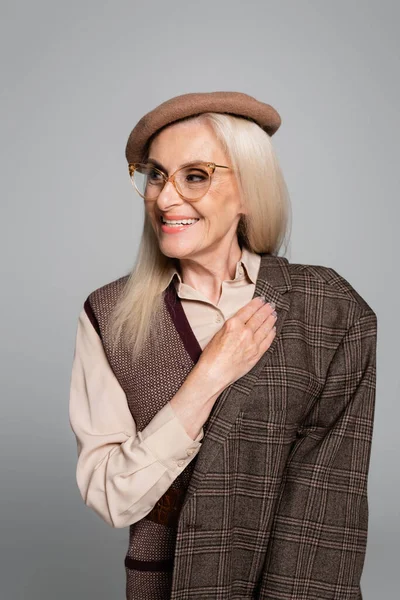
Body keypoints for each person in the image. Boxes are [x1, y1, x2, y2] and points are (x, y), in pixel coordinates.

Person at [69, 91, 378, 600]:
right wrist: (208, 378)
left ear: (249, 192)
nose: (166, 198)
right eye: (156, 175)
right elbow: (111, 496)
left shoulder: (328, 308)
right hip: (164, 584)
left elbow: (327, 507)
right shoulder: (109, 315)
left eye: (195, 176)